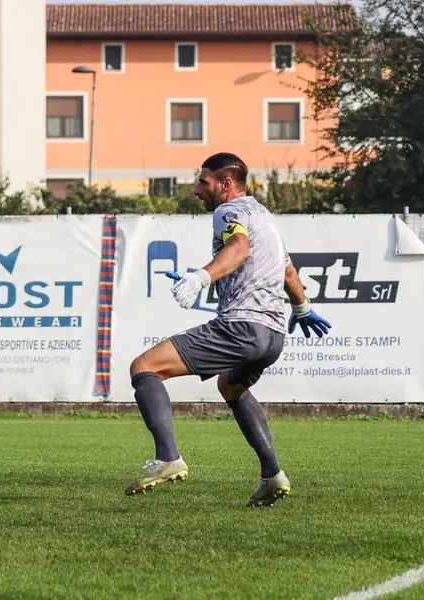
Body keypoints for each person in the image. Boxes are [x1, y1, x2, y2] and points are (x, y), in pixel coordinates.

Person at [124, 152, 330, 506]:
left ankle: (167, 458)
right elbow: (288, 273)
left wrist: (201, 278)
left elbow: (238, 248)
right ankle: (272, 475)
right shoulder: (265, 218)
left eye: (203, 182)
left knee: (144, 367)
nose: (196, 189)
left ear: (225, 184)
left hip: (241, 327)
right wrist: (303, 308)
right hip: (273, 336)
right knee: (231, 385)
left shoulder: (227, 212)